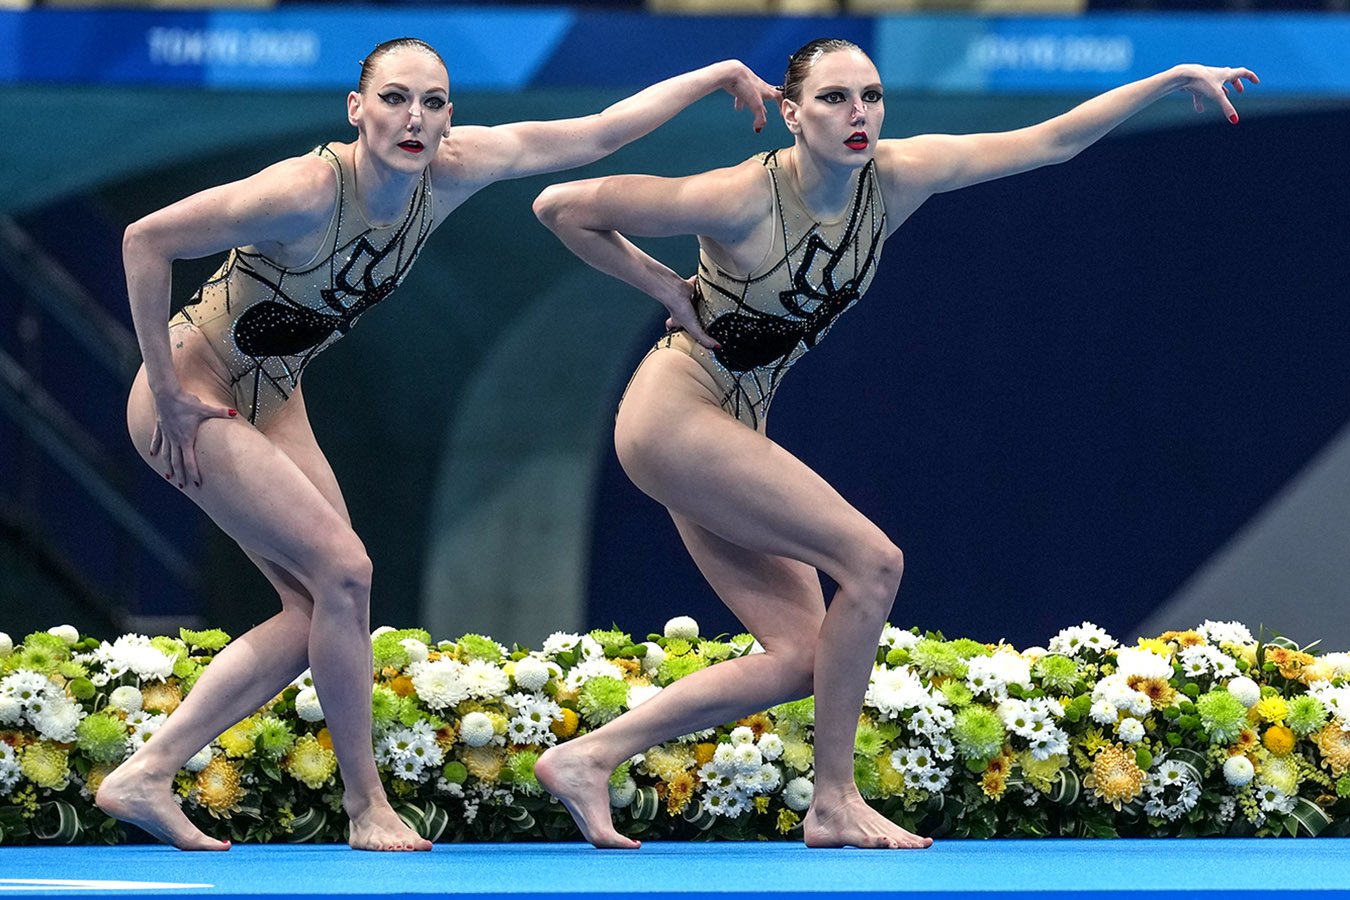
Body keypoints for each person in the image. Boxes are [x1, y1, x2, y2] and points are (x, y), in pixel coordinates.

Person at [531, 38, 1257, 850]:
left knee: (802, 655)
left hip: (732, 422)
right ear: (793, 112)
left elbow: (1049, 141)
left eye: (871, 96)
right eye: (836, 99)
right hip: (677, 413)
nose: (859, 115)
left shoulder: (899, 177)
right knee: (874, 563)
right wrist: (664, 285)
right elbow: (561, 205)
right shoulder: (738, 196)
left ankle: (590, 758)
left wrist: (1166, 78)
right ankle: (833, 801)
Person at [94, 37, 778, 852]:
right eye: (393, 98)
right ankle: (366, 808)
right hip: (194, 391)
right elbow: (147, 238)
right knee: (346, 573)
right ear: (357, 109)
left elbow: (597, 131)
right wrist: (167, 393)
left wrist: (711, 73)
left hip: (275, 393)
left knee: (323, 603)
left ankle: (147, 771)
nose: (413, 118)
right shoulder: (306, 189)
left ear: (449, 114)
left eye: (431, 101)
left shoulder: (454, 169)